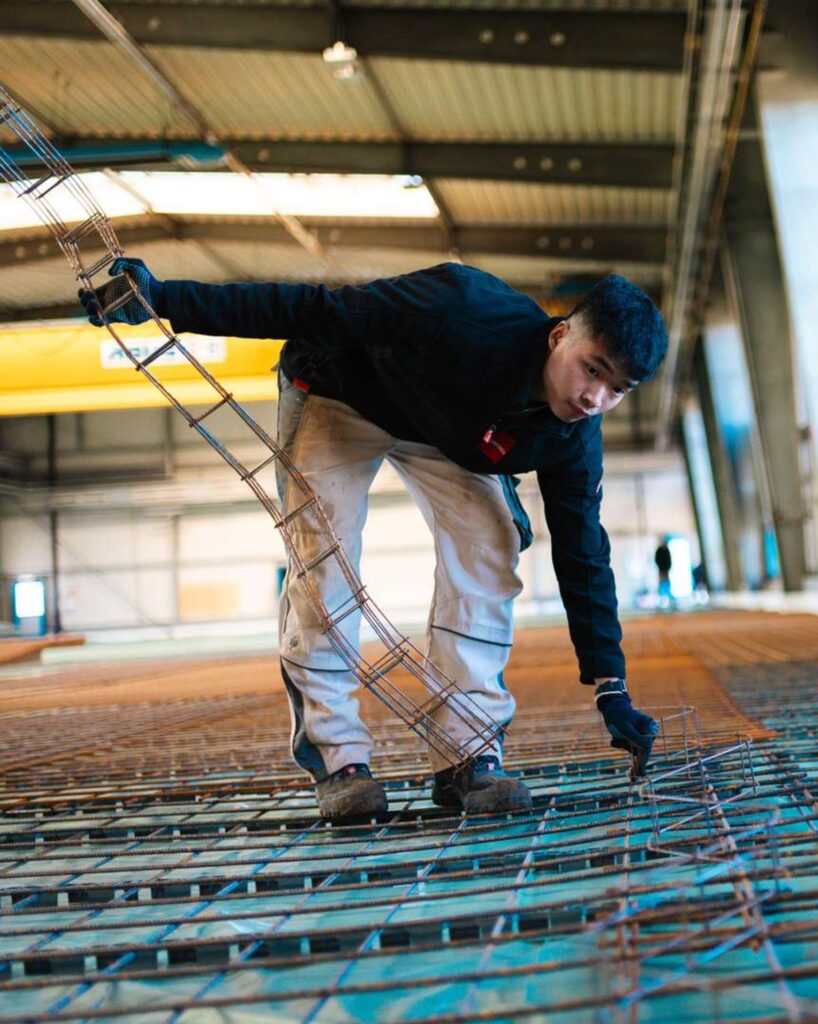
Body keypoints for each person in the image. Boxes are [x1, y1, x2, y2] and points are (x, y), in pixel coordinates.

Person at [80, 258, 666, 820]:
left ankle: (469, 754)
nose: (595, 398)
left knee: (491, 547)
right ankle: (340, 761)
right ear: (560, 335)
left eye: (618, 389)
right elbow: (307, 308)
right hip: (344, 392)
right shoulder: (456, 310)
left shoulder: (573, 430)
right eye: (592, 369)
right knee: (324, 555)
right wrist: (164, 298)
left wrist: (609, 683)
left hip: (450, 432)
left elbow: (583, 552)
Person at [654, 536, 673, 608]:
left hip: (666, 569)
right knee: (661, 583)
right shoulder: (659, 550)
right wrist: (660, 567)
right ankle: (660, 599)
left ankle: (669, 599)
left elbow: (669, 559)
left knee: (667, 583)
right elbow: (656, 559)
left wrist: (668, 567)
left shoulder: (667, 550)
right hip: (661, 569)